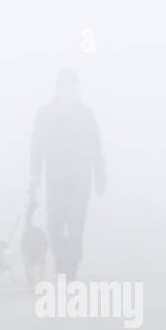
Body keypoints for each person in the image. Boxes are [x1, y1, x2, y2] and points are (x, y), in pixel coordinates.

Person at [29, 68, 105, 280]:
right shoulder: (45, 113)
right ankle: (62, 263)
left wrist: (100, 176)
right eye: (65, 86)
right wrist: (34, 173)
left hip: (81, 179)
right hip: (55, 178)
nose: (69, 90)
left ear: (76, 88)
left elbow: (96, 146)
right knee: (54, 225)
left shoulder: (86, 114)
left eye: (72, 86)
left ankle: (71, 266)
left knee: (76, 225)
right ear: (58, 88)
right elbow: (37, 144)